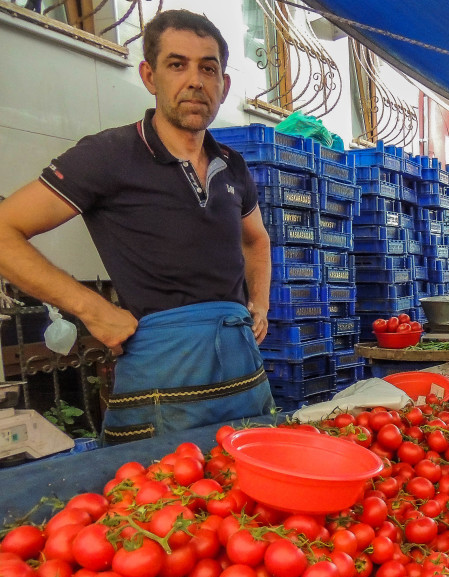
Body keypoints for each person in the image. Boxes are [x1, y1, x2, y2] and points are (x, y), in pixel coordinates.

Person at [0, 9, 273, 444]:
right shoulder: (108, 156)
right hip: (160, 373)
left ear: (223, 85)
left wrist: (259, 303)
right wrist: (92, 310)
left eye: (209, 68)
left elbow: (256, 240)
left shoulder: (232, 165)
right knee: (163, 499)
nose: (196, 81)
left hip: (243, 368)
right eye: (177, 64)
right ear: (149, 76)